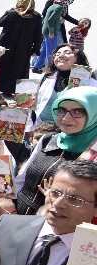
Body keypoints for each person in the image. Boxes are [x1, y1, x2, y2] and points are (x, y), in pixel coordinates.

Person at [12, 87, 97, 215]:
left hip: (52, 229)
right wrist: (8, 203)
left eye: (77, 111)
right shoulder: (48, 140)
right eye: (62, 110)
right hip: (16, 218)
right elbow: (21, 180)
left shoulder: (93, 155)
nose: (66, 118)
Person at [0, 0, 43, 95]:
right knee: (20, 69)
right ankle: (19, 92)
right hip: (24, 48)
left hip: (7, 46)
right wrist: (36, 49)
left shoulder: (12, 13)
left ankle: (3, 88)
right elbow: (38, 35)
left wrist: (8, 12)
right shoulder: (36, 16)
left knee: (5, 67)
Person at [32, 0, 65, 73]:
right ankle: (50, 69)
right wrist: (51, 32)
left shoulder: (51, 6)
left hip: (45, 31)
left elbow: (46, 19)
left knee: (44, 51)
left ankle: (36, 67)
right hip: (51, 33)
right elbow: (50, 20)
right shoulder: (59, 7)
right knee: (52, 51)